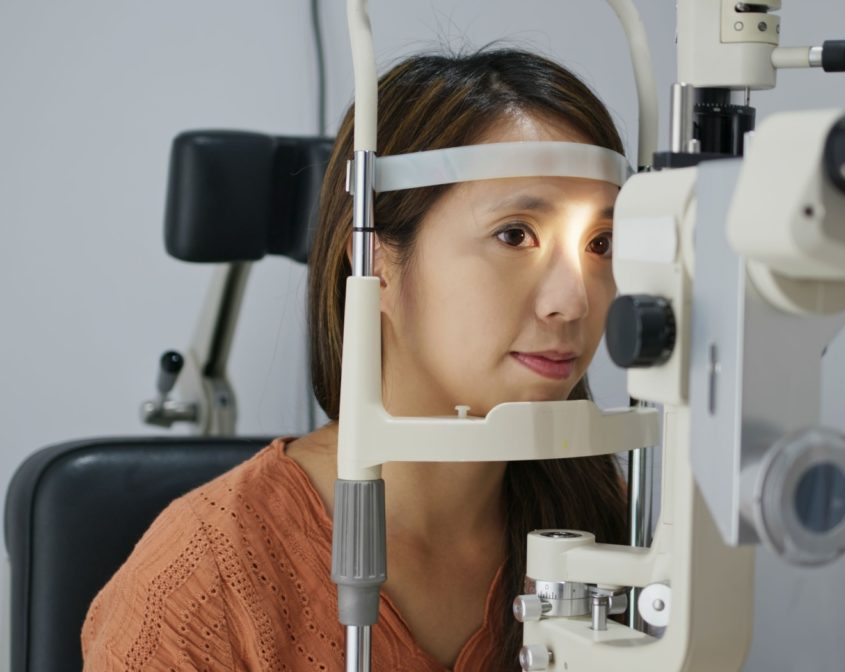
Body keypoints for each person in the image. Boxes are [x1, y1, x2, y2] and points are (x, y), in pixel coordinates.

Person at [82, 48, 629, 672]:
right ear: (376, 264)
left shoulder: (597, 528)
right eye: (514, 235)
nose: (573, 300)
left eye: (600, 243)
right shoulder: (204, 578)